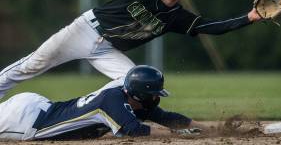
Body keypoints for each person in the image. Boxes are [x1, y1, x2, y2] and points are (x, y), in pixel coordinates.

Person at [0, 0, 261, 99]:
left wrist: (249, 18)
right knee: (32, 64)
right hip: (85, 30)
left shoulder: (178, 17)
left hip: (107, 50)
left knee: (139, 84)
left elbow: (211, 27)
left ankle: (103, 113)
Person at [0, 65, 211, 140]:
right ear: (140, 95)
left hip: (39, 105)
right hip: (27, 122)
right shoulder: (113, 101)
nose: (157, 98)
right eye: (155, 94)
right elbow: (134, 131)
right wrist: (177, 134)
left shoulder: (127, 99)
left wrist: (205, 130)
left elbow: (164, 117)